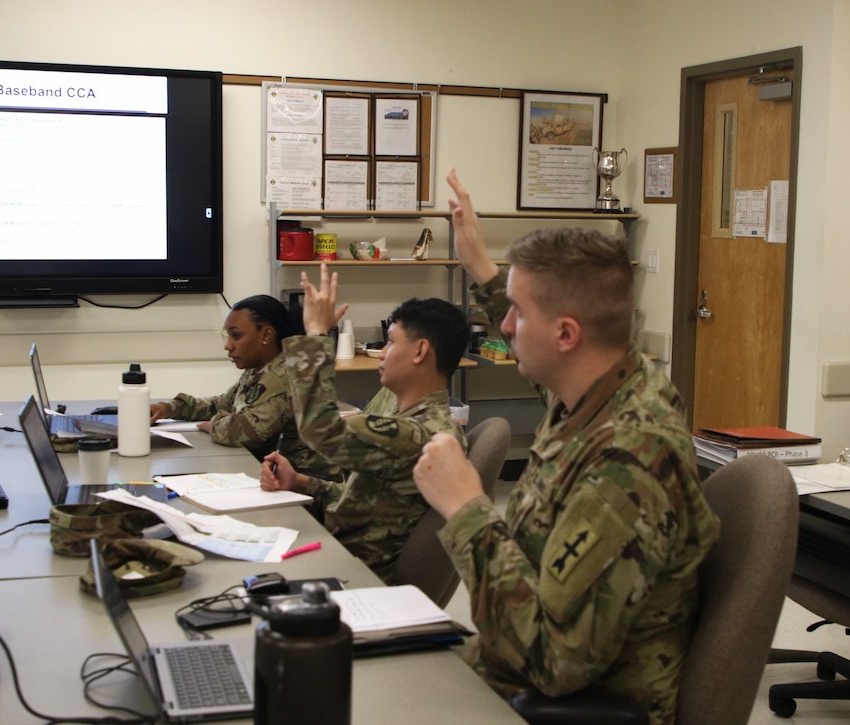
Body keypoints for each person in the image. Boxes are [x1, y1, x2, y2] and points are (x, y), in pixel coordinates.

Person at [411, 169, 720, 724]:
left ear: (566, 335)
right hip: (508, 674)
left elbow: (554, 663)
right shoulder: (609, 382)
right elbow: (538, 342)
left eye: (517, 313)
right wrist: (480, 263)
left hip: (559, 704)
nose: (503, 326)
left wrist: (466, 508)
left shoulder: (629, 462)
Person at [260, 264, 470, 583]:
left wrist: (316, 335)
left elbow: (320, 429)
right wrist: (301, 482)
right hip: (343, 555)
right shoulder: (413, 419)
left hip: (353, 575)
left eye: (390, 342)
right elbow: (364, 501)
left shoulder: (419, 433)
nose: (382, 352)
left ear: (420, 351)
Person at [149, 294, 336, 478]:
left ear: (266, 335)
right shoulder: (258, 370)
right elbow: (223, 403)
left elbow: (243, 432)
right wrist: (169, 408)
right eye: (228, 336)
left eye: (236, 336)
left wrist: (214, 424)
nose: (228, 346)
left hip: (310, 481)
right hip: (284, 474)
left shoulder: (284, 378)